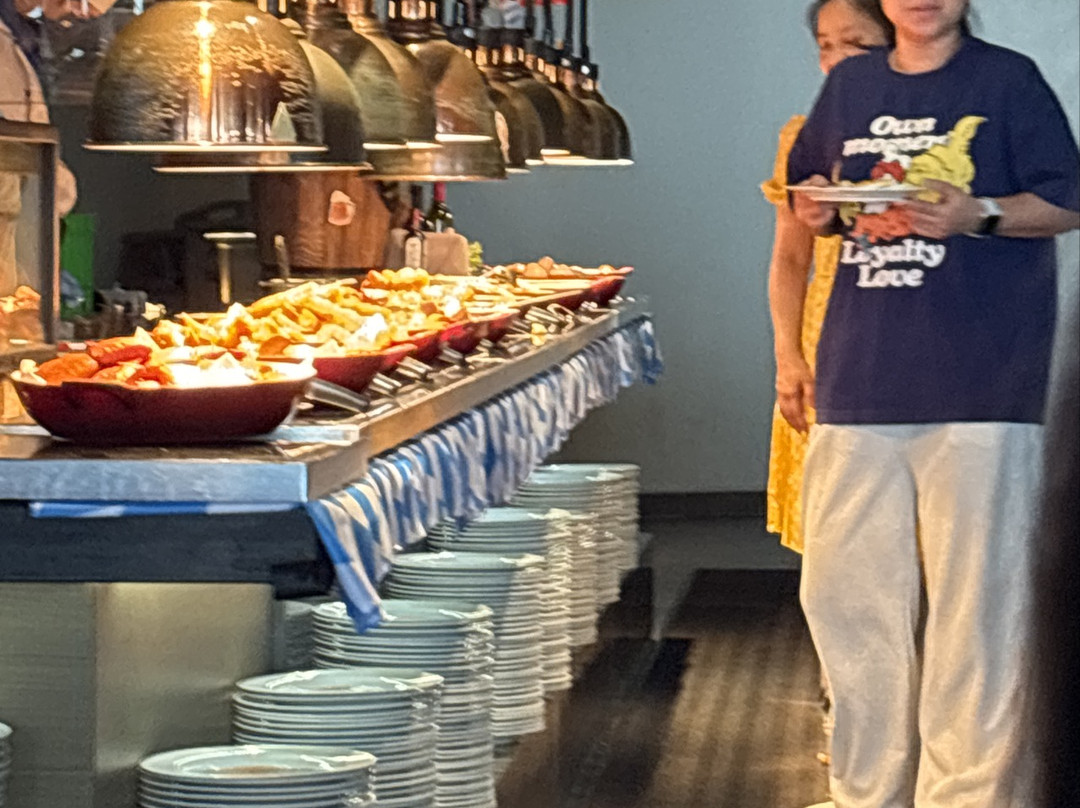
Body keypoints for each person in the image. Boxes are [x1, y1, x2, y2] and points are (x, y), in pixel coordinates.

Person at [787, 0, 1080, 804]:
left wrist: (978, 212)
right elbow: (811, 197)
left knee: (977, 608)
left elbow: (1067, 199)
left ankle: (970, 794)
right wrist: (818, 206)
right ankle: (866, 791)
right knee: (846, 599)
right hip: (860, 375)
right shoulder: (850, 86)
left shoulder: (1008, 80)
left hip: (985, 381)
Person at [761, 0, 892, 786]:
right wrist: (787, 355)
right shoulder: (803, 138)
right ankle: (845, 711)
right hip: (825, 355)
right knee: (835, 555)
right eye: (825, 46)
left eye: (858, 45)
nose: (838, 59)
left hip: (906, 358)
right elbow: (789, 260)